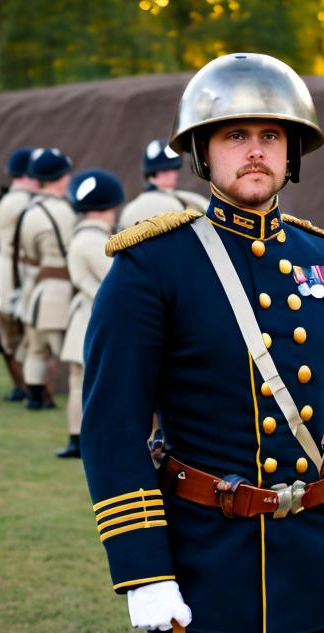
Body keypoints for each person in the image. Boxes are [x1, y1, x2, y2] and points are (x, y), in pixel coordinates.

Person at [80, 53, 324, 633]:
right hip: (202, 562)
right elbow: (110, 431)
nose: (254, 148)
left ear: (292, 152)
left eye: (270, 134)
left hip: (315, 555)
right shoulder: (152, 265)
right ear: (202, 151)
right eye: (233, 134)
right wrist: (142, 568)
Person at [57, 168, 124, 458]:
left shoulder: (81, 237)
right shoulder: (95, 241)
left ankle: (76, 438)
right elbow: (115, 281)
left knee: (79, 383)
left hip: (83, 316)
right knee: (97, 385)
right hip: (95, 319)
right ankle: (89, 440)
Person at [16, 147, 76, 410]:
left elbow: (27, 256)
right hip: (61, 291)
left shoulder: (29, 213)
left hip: (36, 290)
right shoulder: (69, 212)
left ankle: (34, 396)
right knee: (71, 353)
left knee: (36, 348)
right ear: (60, 177)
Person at [0, 146, 40, 401]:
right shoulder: (28, 202)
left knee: (13, 331)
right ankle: (30, 385)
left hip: (4, 270)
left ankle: (24, 384)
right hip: (21, 270)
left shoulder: (6, 200)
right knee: (25, 329)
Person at [117, 138, 207, 230]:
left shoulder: (128, 210)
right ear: (164, 171)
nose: (176, 174)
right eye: (174, 169)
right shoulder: (180, 204)